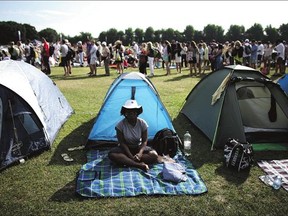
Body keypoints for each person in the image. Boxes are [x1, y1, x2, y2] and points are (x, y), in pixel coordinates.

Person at [108, 99, 158, 172]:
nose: (131, 113)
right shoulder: (120, 125)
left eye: (133, 111)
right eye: (128, 111)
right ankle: (139, 165)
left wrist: (140, 154)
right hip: (125, 149)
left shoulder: (142, 123)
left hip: (138, 147)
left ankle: (129, 161)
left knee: (154, 155)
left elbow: (144, 141)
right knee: (112, 155)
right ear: (125, 113)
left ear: (137, 112)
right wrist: (130, 156)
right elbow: (122, 143)